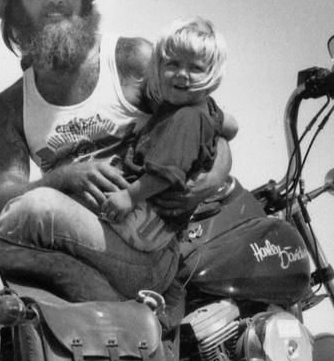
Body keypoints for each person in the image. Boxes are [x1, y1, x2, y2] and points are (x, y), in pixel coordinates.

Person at [0, 0, 233, 301]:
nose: (56, 1)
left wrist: (210, 180)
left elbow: (213, 125)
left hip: (144, 248)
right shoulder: (8, 107)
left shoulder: (131, 60)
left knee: (37, 210)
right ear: (15, 7)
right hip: (73, 250)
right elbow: (5, 198)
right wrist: (65, 177)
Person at [98, 17, 238, 256]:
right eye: (173, 64)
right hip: (154, 223)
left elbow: (166, 172)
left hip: (142, 214)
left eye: (195, 68)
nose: (182, 75)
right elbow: (230, 126)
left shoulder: (187, 117)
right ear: (159, 67)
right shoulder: (196, 108)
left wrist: (128, 197)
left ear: (212, 75)